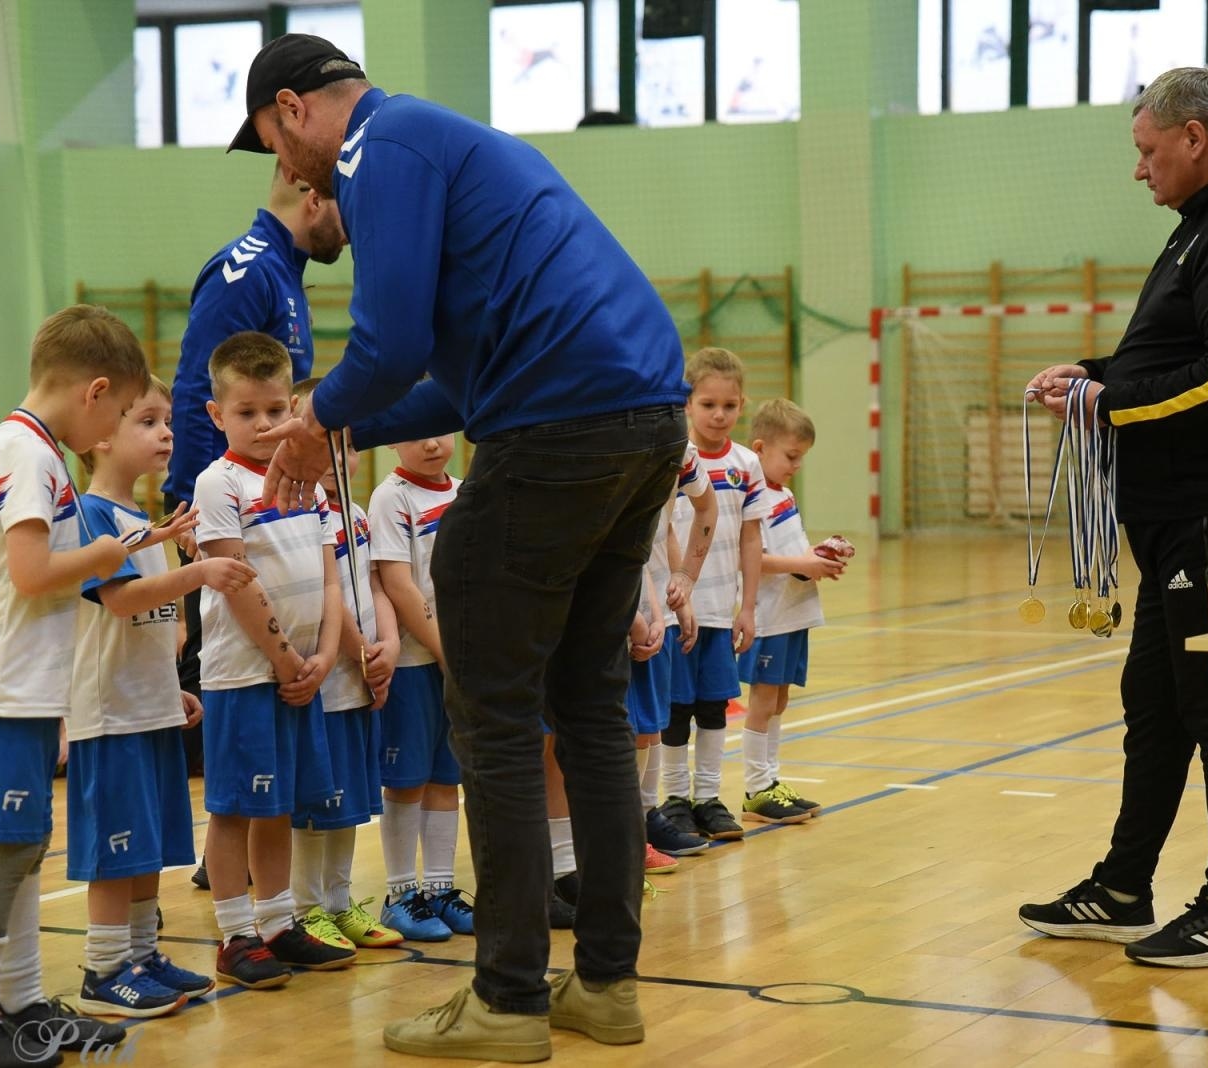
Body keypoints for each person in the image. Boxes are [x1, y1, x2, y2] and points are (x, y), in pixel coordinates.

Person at [233, 33, 688, 1060]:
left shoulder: (376, 151)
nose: (283, 171)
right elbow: (454, 387)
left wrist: (317, 418)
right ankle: (605, 988)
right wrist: (339, 423)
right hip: (637, 421)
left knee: (492, 719)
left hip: (558, 435)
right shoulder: (439, 148)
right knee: (587, 709)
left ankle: (508, 1000)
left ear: (293, 109)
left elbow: (386, 344)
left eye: (270, 141)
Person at [1019, 65, 1208, 967]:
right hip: (1174, 519)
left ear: (1194, 137)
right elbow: (1164, 357)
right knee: (1153, 700)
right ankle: (1122, 886)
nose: (1138, 169)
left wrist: (1106, 404)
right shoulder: (1200, 230)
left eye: (1148, 151)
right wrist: (1090, 372)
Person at [0, 305, 153, 1065]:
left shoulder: (31, 448)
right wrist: (106, 552)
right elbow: (30, 574)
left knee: (23, 845)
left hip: (19, 684)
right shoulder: (27, 452)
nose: (110, 434)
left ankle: (16, 1007)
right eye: (117, 414)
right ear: (96, 392)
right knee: (7, 848)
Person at [69, 375, 250, 1017]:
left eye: (167, 420)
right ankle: (102, 969)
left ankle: (141, 955)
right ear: (99, 438)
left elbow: (154, 631)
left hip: (147, 712)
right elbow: (119, 603)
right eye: (146, 421)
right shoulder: (92, 515)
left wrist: (171, 689)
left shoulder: (141, 526)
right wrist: (195, 570)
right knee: (116, 851)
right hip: (109, 718)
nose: (166, 432)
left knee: (146, 844)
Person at [165, 167, 346, 791]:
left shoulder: (284, 272)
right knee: (218, 654)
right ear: (314, 196)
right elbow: (198, 388)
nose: (352, 233)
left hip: (272, 495)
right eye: (346, 212)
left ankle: (258, 831)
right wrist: (202, 498)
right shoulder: (246, 270)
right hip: (227, 503)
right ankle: (215, 837)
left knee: (274, 653)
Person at [192, 332, 356, 989]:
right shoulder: (217, 483)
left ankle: (279, 922)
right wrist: (285, 657)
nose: (262, 426)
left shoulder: (307, 483)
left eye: (272, 411)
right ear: (216, 415)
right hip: (245, 676)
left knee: (279, 805)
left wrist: (320, 657)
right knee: (234, 807)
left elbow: (328, 573)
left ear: (293, 405)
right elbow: (237, 580)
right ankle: (235, 936)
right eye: (245, 413)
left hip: (300, 673)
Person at [286, 377, 404, 953]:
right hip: (327, 679)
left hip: (361, 678)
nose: (337, 457)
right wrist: (360, 652)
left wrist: (388, 647)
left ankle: (338, 900)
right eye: (324, 441)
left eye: (348, 445)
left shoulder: (356, 513)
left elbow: (376, 585)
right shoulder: (298, 511)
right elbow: (325, 597)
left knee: (350, 802)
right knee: (315, 805)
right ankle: (306, 907)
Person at [367, 434, 475, 942]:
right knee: (406, 779)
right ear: (391, 442)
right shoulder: (391, 497)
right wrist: (447, 652)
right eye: (416, 435)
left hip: (455, 661)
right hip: (414, 663)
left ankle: (439, 889)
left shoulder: (464, 490)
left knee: (443, 777)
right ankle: (399, 893)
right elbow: (399, 584)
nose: (432, 444)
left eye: (440, 431)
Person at [657, 347, 763, 843]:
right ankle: (675, 798)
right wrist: (680, 594)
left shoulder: (747, 464)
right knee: (676, 707)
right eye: (708, 404)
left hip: (722, 610)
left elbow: (750, 537)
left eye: (729, 405)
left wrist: (747, 607)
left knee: (714, 706)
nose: (719, 415)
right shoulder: (675, 460)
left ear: (742, 405)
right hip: (675, 608)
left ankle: (708, 796)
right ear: (687, 405)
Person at [737, 399, 844, 824]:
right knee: (763, 700)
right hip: (767, 615)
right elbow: (755, 559)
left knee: (779, 699)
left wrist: (818, 557)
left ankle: (771, 781)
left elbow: (790, 552)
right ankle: (755, 788)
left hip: (792, 612)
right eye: (791, 456)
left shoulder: (785, 494)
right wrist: (803, 564)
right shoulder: (752, 496)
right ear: (760, 447)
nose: (796, 465)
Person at [639, 446, 719, 859]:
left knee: (651, 722)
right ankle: (624, 826)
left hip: (655, 609)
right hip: (616, 605)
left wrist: (683, 582)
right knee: (626, 726)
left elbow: (671, 524)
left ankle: (646, 816)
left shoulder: (678, 448)